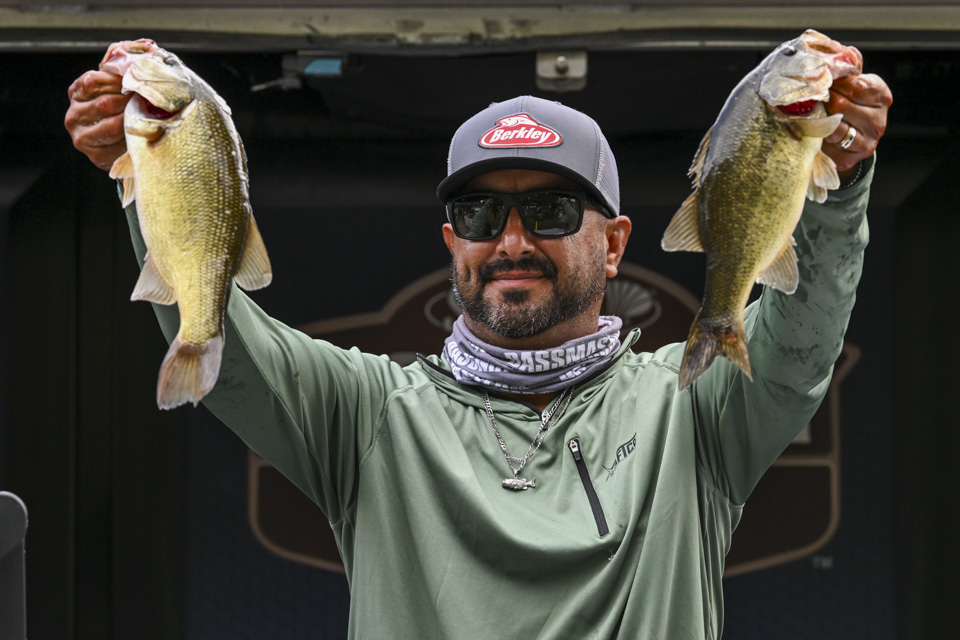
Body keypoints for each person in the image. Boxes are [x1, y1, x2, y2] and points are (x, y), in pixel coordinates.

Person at [65, 40, 891, 639]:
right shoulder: (369, 413)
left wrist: (839, 182)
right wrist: (150, 172)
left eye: (552, 211)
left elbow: (801, 340)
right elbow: (222, 346)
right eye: (479, 213)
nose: (511, 240)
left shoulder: (693, 407)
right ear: (450, 242)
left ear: (614, 244)